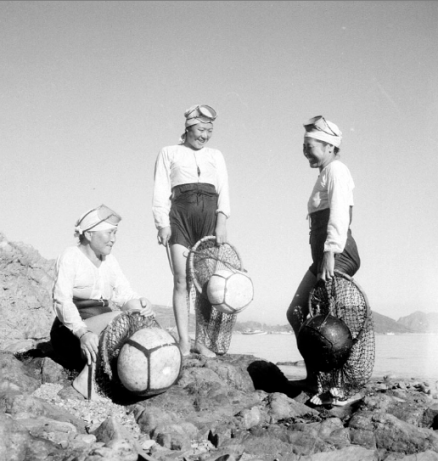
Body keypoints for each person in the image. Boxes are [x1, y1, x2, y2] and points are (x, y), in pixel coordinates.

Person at [286, 116, 361, 405]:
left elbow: (340, 213)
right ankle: (315, 379)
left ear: (329, 146)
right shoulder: (326, 172)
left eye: (309, 145)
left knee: (333, 321)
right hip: (324, 256)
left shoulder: (337, 170)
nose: (304, 150)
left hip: (338, 253)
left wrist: (330, 251)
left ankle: (339, 388)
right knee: (296, 312)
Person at [50, 204, 153, 399]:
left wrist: (140, 304)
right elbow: (61, 301)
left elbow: (125, 295)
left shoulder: (110, 261)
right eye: (109, 233)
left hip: (100, 330)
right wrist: (83, 333)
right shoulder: (70, 256)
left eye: (115, 233)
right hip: (71, 334)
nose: (113, 239)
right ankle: (84, 380)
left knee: (136, 313)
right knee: (121, 319)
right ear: (89, 235)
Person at [152, 104, 230, 358]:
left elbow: (224, 191)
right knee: (181, 280)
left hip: (209, 219)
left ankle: (202, 341)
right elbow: (161, 190)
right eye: (200, 129)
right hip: (180, 219)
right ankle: (184, 342)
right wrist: (162, 223)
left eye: (209, 130)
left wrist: (222, 221)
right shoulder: (168, 152)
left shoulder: (216, 155)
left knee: (205, 284)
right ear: (187, 128)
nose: (205, 135)